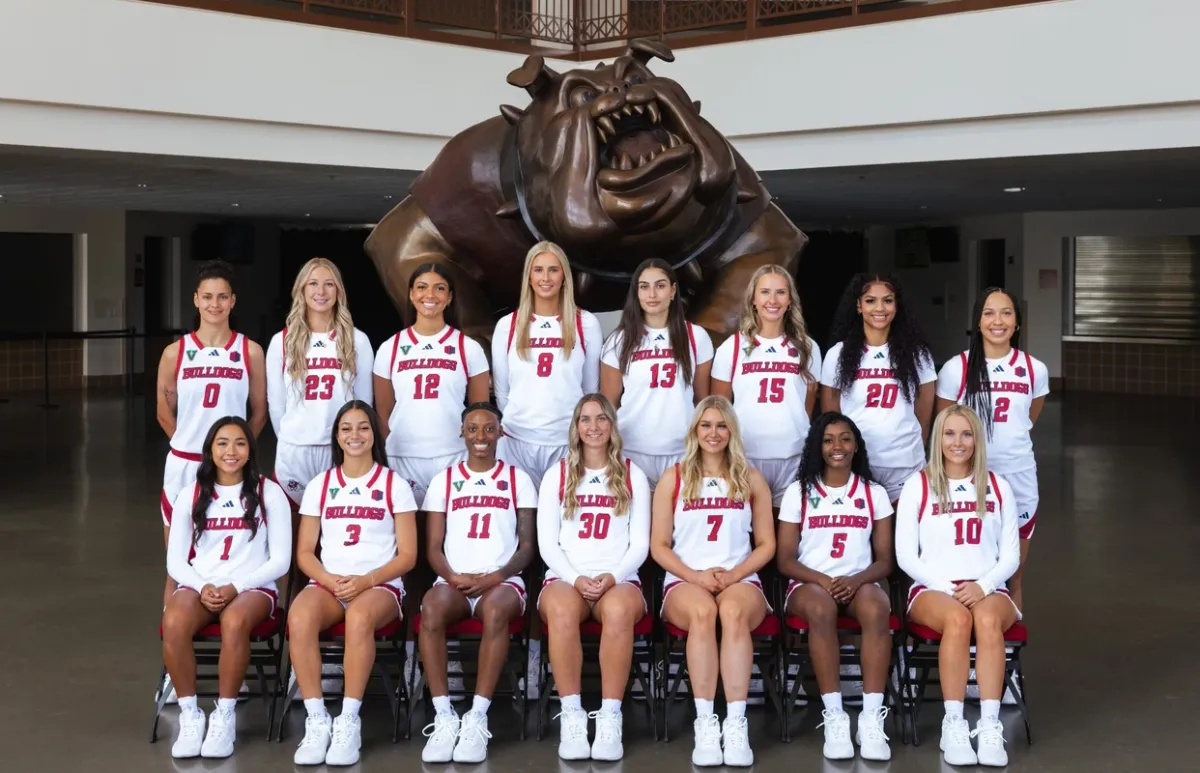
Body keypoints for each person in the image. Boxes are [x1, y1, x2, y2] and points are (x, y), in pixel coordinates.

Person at [288, 401, 418, 767]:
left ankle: (348, 720)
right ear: (336, 436)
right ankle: (317, 720)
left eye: (363, 427)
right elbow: (305, 553)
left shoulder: (394, 484)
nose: (355, 435)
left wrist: (366, 581)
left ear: (375, 434)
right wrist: (330, 580)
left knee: (359, 618)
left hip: (380, 586)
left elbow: (408, 555)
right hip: (331, 583)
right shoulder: (321, 485)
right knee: (299, 618)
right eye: (346, 428)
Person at [650, 396, 776, 767]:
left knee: (733, 612)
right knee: (704, 613)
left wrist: (734, 574)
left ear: (732, 431)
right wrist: (695, 576)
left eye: (722, 425)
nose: (714, 433)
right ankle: (706, 723)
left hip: (739, 578)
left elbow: (767, 544)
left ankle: (736, 724)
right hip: (686, 579)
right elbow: (658, 545)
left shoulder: (750, 477)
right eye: (706, 425)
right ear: (694, 431)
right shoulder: (674, 477)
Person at [895, 404, 1020, 768]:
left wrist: (983, 586)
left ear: (977, 439)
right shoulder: (918, 485)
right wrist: (948, 588)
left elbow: (1010, 555)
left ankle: (990, 724)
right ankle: (954, 723)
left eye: (966, 434)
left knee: (986, 621)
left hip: (988, 587)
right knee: (958, 620)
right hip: (932, 588)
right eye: (949, 433)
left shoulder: (998, 486)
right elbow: (906, 555)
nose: (958, 442)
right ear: (937, 439)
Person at [162, 416, 291, 759]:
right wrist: (202, 585)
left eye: (239, 443)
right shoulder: (191, 494)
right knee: (173, 622)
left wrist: (237, 586)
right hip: (201, 585)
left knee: (235, 622)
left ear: (250, 450)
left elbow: (280, 561)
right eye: (222, 443)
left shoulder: (269, 492)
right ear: (210, 451)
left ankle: (224, 714)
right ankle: (191, 713)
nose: (230, 451)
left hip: (254, 588)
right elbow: (174, 562)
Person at [417, 403, 538, 764]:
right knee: (431, 608)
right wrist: (453, 576)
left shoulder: (519, 480)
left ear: (500, 433)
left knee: (498, 609)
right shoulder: (444, 480)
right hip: (455, 579)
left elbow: (527, 546)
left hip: (502, 581)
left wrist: (495, 577)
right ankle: (443, 715)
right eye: (473, 429)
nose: (481, 437)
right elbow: (433, 548)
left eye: (489, 429)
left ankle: (476, 717)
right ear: (462, 433)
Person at [537, 394, 651, 761]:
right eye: (585, 419)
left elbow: (641, 543)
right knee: (561, 612)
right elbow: (546, 542)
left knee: (618, 613)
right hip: (566, 576)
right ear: (575, 427)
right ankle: (572, 714)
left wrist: (612, 576)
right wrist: (574, 578)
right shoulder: (558, 473)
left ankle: (609, 716)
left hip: (620, 577)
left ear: (612, 426)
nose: (594, 427)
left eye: (602, 419)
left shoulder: (633, 473)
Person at [776, 412, 894, 761]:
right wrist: (824, 580)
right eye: (828, 440)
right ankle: (836, 717)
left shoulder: (874, 492)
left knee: (877, 608)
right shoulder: (799, 491)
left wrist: (856, 580)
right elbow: (785, 560)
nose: (837, 446)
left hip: (859, 582)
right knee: (821, 608)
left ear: (856, 445)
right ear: (818, 446)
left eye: (845, 438)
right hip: (809, 584)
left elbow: (885, 560)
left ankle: (871, 717)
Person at [156, 260, 267, 607]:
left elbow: (260, 412)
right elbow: (163, 412)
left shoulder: (249, 351)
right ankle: (174, 647)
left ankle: (229, 627)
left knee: (226, 554)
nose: (214, 304)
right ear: (195, 300)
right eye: (207, 297)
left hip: (232, 468)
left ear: (233, 301)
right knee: (177, 562)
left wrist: (233, 454)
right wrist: (196, 449)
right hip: (184, 464)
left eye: (222, 297)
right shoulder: (175, 352)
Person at [935, 287, 1047, 612]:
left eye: (1006, 313)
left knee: (1013, 576)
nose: (998, 321)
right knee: (968, 571)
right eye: (989, 313)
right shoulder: (957, 368)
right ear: (978, 321)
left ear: (1017, 322)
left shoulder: (1033, 369)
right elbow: (943, 428)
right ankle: (965, 649)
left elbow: (1027, 420)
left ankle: (1007, 656)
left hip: (1020, 477)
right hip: (968, 480)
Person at [373, 262, 490, 503]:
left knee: (449, 533)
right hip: (403, 457)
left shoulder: (468, 347)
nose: (430, 295)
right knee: (409, 532)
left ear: (449, 298)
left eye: (439, 288)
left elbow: (480, 412)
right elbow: (382, 412)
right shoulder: (390, 348)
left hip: (454, 455)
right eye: (422, 287)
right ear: (411, 294)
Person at [491, 241, 602, 487]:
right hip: (516, 441)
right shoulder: (508, 325)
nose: (546, 277)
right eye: (538, 269)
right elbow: (501, 392)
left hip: (566, 440)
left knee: (565, 519)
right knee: (520, 521)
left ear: (564, 276)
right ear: (528, 277)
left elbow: (590, 391)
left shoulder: (586, 323)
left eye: (553, 269)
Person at [267, 257, 374, 510]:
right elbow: (276, 403)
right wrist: (291, 434)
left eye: (329, 284)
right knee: (294, 527)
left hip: (338, 447)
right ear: (301, 290)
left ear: (339, 291)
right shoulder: (281, 341)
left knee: (337, 522)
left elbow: (364, 403)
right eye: (313, 283)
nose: (321, 291)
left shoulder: (358, 340)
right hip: (295, 450)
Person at [711, 264, 821, 506]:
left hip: (792, 456)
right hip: (746, 455)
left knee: (788, 532)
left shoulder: (808, 348)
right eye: (765, 292)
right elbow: (719, 408)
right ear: (752, 299)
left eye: (780, 292)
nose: (773, 300)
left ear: (790, 300)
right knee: (748, 532)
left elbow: (807, 405)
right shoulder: (733, 347)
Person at [821, 273, 935, 503]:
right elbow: (831, 415)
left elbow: (924, 411)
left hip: (904, 463)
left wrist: (913, 444)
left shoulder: (917, 354)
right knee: (861, 536)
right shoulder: (838, 354)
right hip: (858, 462)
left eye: (888, 300)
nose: (880, 308)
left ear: (896, 305)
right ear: (859, 306)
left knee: (903, 536)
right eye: (871, 300)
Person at [600, 259, 713, 487]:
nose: (652, 294)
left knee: (677, 522)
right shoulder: (619, 340)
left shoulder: (696, 336)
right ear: (637, 293)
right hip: (632, 449)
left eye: (660, 286)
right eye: (644, 287)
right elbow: (608, 405)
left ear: (672, 291)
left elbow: (703, 401)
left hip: (681, 450)